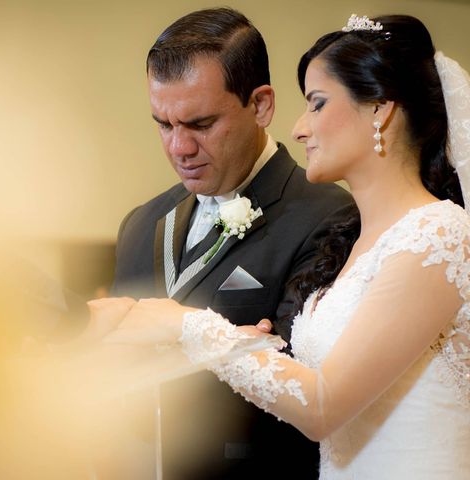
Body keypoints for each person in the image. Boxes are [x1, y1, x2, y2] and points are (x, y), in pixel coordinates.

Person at [103, 13, 470, 479]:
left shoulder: (436, 235)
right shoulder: (366, 241)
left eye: (316, 104)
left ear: (379, 109)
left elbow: (321, 404)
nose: (300, 128)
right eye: (164, 124)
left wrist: (189, 327)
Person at [110, 7, 353, 480]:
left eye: (200, 124)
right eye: (163, 124)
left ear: (261, 104)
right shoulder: (141, 223)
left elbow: (303, 383)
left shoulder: (329, 216)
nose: (179, 147)